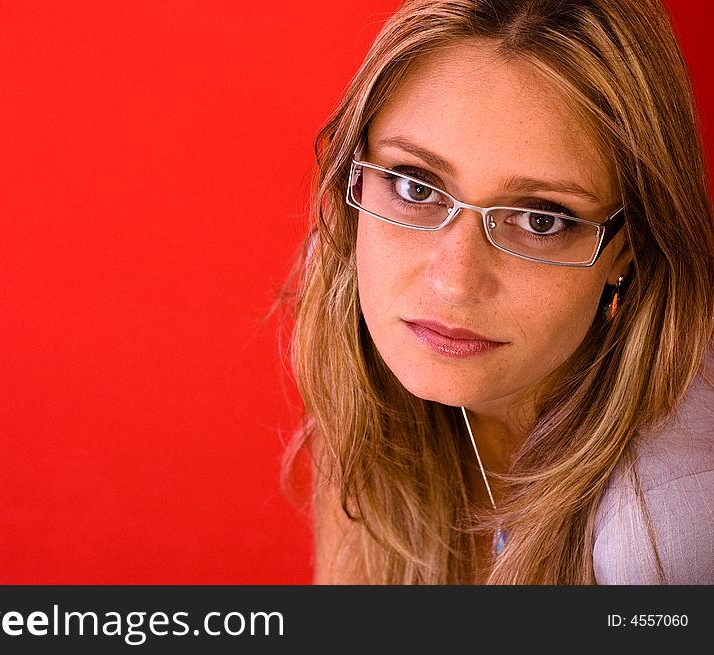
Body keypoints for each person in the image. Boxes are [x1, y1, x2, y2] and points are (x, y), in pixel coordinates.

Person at [282, 0, 714, 584]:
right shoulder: (353, 287)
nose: (453, 283)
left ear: (625, 252)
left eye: (541, 220)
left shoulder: (663, 537)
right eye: (416, 186)